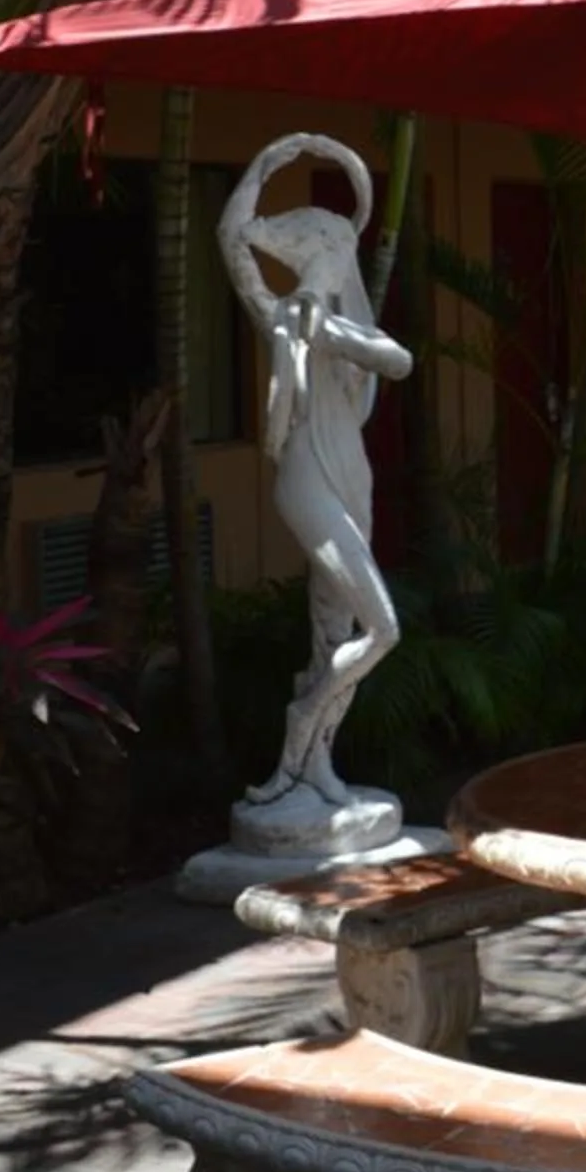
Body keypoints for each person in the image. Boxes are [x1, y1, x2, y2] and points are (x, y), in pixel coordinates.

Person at [218, 134, 412, 823]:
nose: (321, 258)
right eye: (312, 249)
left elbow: (398, 362)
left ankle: (311, 767)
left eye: (326, 249)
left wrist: (329, 332)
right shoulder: (280, 322)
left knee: (333, 636)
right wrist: (274, 158)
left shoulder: (340, 327)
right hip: (305, 480)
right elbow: (234, 240)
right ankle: (303, 721)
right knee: (382, 627)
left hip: (351, 475)